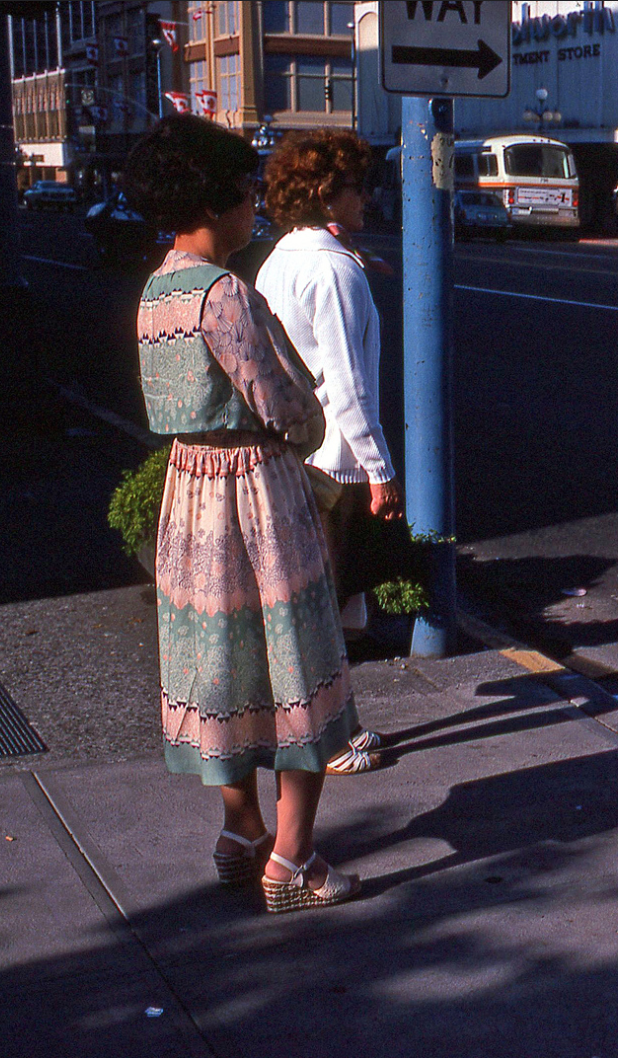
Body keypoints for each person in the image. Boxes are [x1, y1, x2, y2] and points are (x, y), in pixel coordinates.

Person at [128, 114, 361, 913]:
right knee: (298, 659)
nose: (252, 208)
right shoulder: (224, 292)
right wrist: (310, 426)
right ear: (213, 201)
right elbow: (284, 403)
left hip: (188, 492)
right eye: (243, 193)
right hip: (255, 488)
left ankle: (241, 831)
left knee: (220, 659)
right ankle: (293, 859)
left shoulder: (155, 291)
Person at [256, 129, 401, 776]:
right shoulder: (336, 272)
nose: (366, 198)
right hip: (337, 463)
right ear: (324, 192)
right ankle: (326, 740)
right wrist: (381, 469)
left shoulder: (280, 259)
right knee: (327, 611)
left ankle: (337, 726)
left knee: (320, 605)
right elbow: (347, 385)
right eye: (356, 187)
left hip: (294, 453)